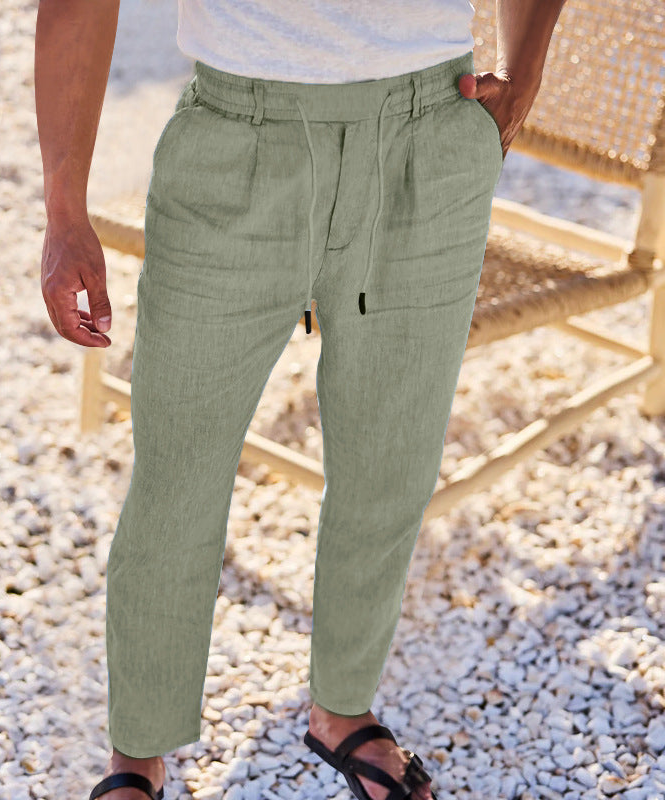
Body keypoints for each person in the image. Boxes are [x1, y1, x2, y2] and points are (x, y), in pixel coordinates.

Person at [35, 1, 567, 798]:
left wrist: (524, 76)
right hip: (238, 135)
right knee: (178, 468)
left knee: (392, 457)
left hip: (431, 131)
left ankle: (344, 708)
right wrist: (63, 210)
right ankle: (137, 749)